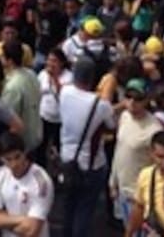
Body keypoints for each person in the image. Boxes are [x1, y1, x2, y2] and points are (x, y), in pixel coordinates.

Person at [59, 57, 115, 237]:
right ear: (93, 78)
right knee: (84, 210)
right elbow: (111, 125)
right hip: (91, 166)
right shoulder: (100, 105)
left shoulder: (64, 93)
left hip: (67, 159)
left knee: (68, 207)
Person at [109, 78, 163, 224]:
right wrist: (113, 181)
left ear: (146, 101)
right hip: (121, 190)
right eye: (128, 97)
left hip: (138, 197)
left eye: (138, 98)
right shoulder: (125, 117)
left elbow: (159, 167)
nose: (132, 102)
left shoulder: (154, 129)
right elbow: (118, 149)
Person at [0, 131, 55, 237]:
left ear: (25, 153)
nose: (14, 164)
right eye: (8, 159)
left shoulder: (41, 182)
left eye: (17, 157)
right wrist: (22, 219)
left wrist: (3, 221)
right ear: (1, 159)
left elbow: (32, 230)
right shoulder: (0, 176)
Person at [0, 38, 42, 153]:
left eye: (2, 56)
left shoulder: (12, 86)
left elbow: (9, 118)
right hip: (36, 134)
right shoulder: (31, 74)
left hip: (22, 143)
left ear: (9, 60)